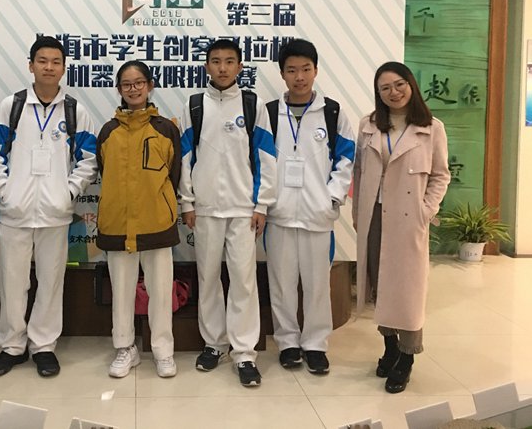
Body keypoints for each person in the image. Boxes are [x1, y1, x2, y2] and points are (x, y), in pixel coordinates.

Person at [0, 36, 97, 378]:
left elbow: (88, 159)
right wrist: (5, 192)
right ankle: (12, 346)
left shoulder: (75, 111)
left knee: (50, 282)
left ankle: (44, 346)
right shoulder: (12, 106)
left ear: (64, 68)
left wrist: (68, 193)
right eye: (42, 61)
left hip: (55, 215)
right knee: (12, 283)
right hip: (15, 213)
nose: (49, 67)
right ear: (31, 65)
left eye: (56, 61)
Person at [179, 39, 277, 387]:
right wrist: (187, 202)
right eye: (216, 61)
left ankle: (244, 353)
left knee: (243, 281)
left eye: (229, 61)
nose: (222, 67)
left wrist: (261, 204)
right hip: (205, 210)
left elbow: (266, 157)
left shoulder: (252, 105)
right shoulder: (195, 105)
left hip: (243, 210)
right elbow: (185, 157)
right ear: (206, 65)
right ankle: (214, 344)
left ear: (240, 66)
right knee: (207, 278)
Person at [352, 61, 450, 394]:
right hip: (374, 216)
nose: (393, 92)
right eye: (385, 88)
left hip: (409, 218)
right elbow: (359, 173)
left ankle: (407, 356)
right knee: (381, 285)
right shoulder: (368, 125)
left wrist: (426, 210)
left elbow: (440, 175)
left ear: (410, 85)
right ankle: (390, 346)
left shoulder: (431, 128)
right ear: (378, 93)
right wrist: (358, 214)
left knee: (407, 290)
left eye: (399, 85)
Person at [265, 39, 355, 376]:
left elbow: (346, 158)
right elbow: (260, 161)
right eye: (292, 70)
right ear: (282, 74)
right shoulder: (269, 113)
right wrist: (267, 201)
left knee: (317, 285)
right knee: (281, 284)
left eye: (305, 69)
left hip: (318, 217)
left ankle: (316, 344)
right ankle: (287, 342)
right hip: (279, 216)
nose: (299, 77)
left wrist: (331, 198)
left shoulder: (332, 113)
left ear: (316, 70)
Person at [96, 61, 181, 379]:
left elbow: (174, 175)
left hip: (156, 222)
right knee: (121, 291)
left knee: (161, 291)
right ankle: (125, 348)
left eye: (139, 82)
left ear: (150, 86)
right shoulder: (108, 132)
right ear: (119, 89)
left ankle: (163, 350)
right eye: (126, 84)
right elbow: (104, 172)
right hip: (117, 224)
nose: (133, 89)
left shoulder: (166, 129)